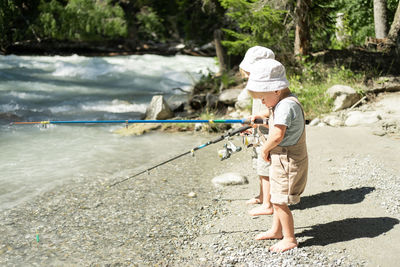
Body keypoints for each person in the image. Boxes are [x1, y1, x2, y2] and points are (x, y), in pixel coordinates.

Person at [246, 58, 308, 252]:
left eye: (263, 98)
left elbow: (278, 134)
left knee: (280, 200)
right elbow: (280, 124)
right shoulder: (284, 102)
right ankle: (276, 230)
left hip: (287, 161)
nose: (262, 102)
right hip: (283, 159)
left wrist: (264, 149)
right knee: (275, 197)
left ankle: (289, 238)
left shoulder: (285, 106)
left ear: (275, 90)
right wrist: (263, 119)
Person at [238, 46, 275, 216]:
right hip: (258, 134)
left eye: (249, 74)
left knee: (265, 167)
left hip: (268, 136)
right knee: (259, 167)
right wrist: (249, 125)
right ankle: (262, 196)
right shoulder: (257, 88)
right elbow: (258, 112)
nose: (247, 78)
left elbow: (272, 112)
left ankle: (268, 204)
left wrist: (262, 118)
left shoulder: (270, 89)